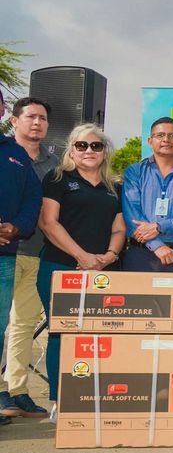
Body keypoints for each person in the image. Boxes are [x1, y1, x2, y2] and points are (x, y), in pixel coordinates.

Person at [33, 124, 125, 421]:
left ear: (104, 152)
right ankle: (60, 400)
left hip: (103, 271)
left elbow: (119, 228)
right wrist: (82, 257)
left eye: (96, 146)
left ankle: (94, 397)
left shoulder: (115, 187)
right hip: (61, 267)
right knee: (62, 333)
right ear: (71, 150)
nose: (89, 151)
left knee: (100, 335)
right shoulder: (57, 178)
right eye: (81, 145)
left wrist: (109, 256)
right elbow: (49, 223)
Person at [0, 97, 57, 419]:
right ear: (14, 120)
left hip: (36, 253)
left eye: (43, 118)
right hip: (6, 252)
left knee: (21, 325)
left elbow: (43, 205)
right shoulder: (7, 153)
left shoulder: (56, 163)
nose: (37, 123)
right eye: (31, 116)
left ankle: (17, 390)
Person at [122, 117, 173, 272]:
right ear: (150, 141)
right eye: (160, 135)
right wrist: (157, 245)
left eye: (172, 135)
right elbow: (132, 215)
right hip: (141, 255)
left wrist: (160, 227)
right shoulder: (135, 171)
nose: (166, 140)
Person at [0, 123, 42, 425]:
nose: (37, 122)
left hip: (7, 251)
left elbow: (32, 198)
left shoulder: (15, 154)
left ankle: (9, 391)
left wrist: (17, 227)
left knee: (6, 326)